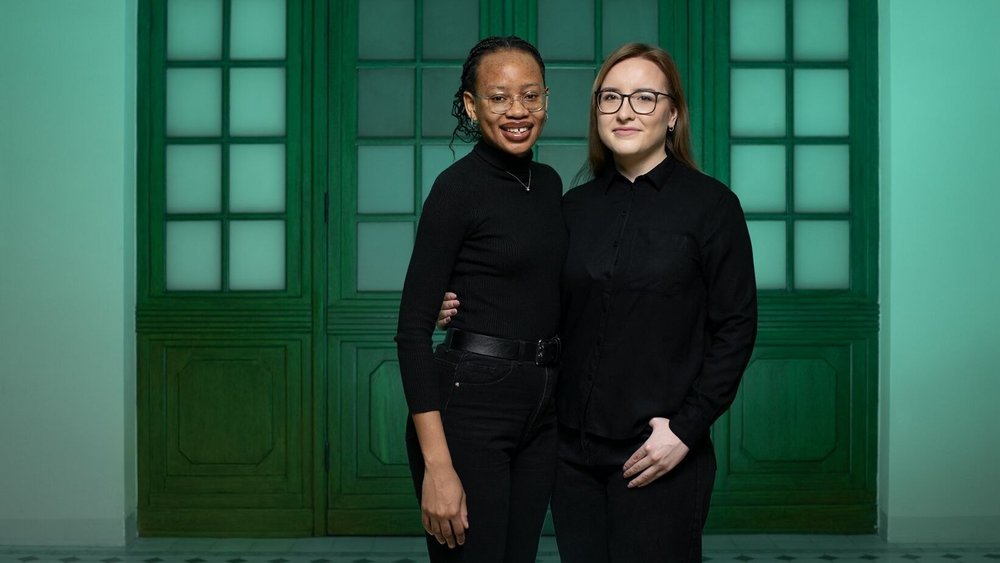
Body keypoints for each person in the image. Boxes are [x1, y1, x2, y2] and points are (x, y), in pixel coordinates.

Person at [438, 42, 757, 562]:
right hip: (572, 457)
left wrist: (685, 429)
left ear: (673, 113)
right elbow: (527, 295)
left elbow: (737, 328)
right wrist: (447, 305)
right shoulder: (571, 208)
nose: (625, 110)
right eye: (610, 97)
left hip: (660, 453)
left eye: (644, 98)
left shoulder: (713, 207)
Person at [395, 36, 566, 563]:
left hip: (543, 408)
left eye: (530, 96)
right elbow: (411, 331)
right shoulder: (457, 189)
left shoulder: (551, 183)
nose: (518, 111)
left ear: (546, 99)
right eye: (499, 98)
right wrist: (438, 468)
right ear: (471, 105)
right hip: (470, 405)